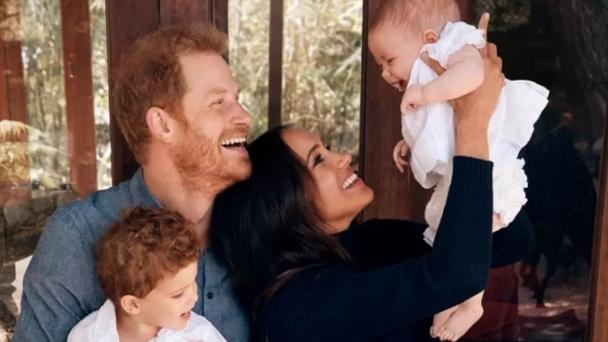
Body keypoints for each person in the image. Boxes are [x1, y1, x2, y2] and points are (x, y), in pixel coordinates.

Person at [210, 19, 534, 342]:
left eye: (329, 148)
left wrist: (453, 132)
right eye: (318, 159)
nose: (344, 157)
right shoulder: (299, 303)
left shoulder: (371, 241)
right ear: (281, 201)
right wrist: (472, 122)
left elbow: (508, 243)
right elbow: (455, 277)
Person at [14, 24, 252, 341]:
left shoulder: (256, 224)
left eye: (237, 98)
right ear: (162, 124)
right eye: (218, 102)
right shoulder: (77, 237)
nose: (245, 116)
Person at [367, 0, 548, 338]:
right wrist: (409, 143)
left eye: (389, 61)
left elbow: (473, 75)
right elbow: (440, 126)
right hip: (460, 172)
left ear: (429, 37)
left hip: (489, 169)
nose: (386, 74)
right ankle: (453, 298)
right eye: (380, 65)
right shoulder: (428, 73)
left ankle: (470, 303)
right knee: (450, 236)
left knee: (469, 234)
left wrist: (426, 91)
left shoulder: (456, 46)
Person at [67, 207, 227, 342]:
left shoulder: (200, 335)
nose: (194, 297)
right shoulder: (87, 336)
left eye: (193, 283)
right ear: (133, 305)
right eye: (178, 294)